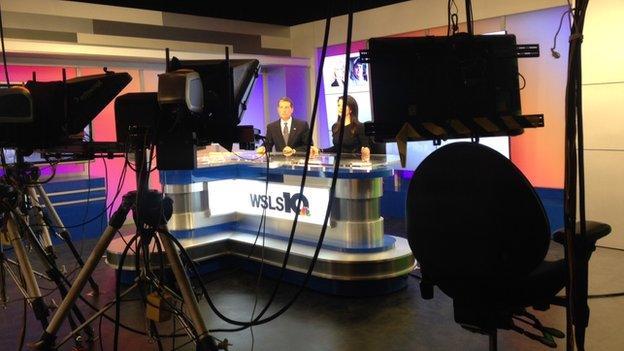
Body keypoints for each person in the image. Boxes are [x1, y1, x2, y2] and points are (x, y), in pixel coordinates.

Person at [322, 95, 371, 161]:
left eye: (344, 105)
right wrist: (320, 150)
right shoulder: (335, 127)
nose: (340, 108)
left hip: (353, 164)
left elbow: (365, 147)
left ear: (351, 109)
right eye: (339, 105)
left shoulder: (359, 127)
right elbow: (337, 148)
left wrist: (366, 150)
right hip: (338, 164)